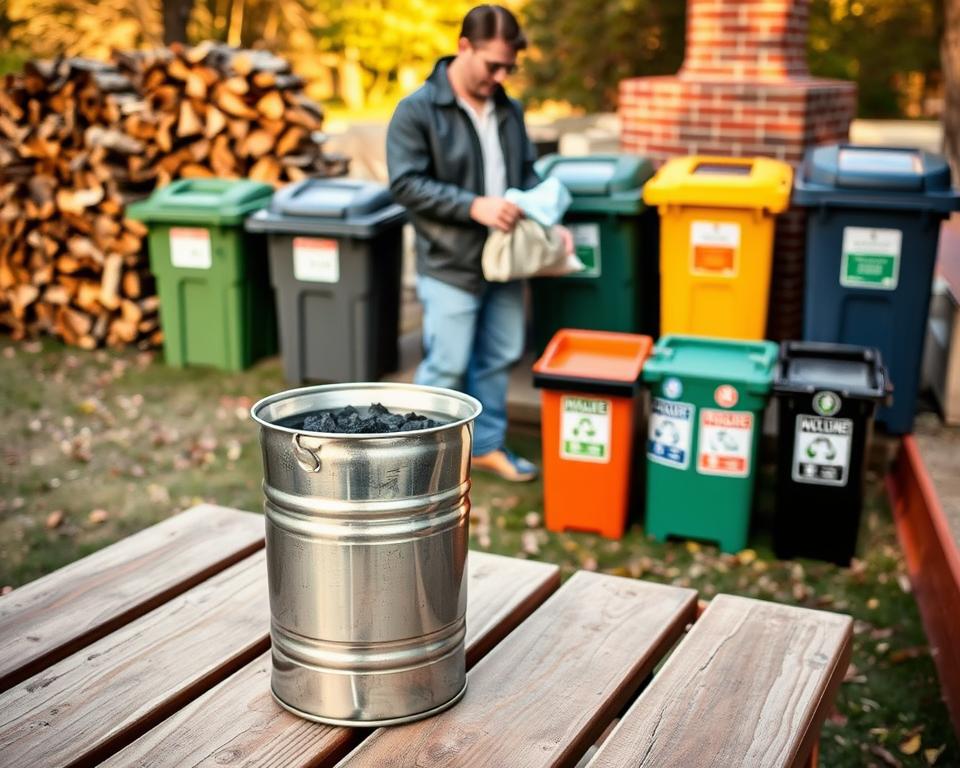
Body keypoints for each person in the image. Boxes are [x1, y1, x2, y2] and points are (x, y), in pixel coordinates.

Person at [387, 5, 544, 482]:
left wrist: (544, 213)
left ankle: (487, 446)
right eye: (491, 65)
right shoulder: (416, 110)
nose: (499, 77)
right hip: (449, 262)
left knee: (498, 357)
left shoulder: (509, 110)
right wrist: (473, 205)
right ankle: (409, 462)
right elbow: (406, 183)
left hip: (504, 262)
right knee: (448, 364)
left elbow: (528, 173)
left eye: (508, 68)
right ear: (463, 47)